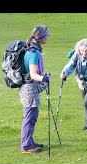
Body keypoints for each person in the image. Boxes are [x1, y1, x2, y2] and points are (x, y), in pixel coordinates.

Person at [19, 25, 50, 154]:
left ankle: (30, 142)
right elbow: (33, 75)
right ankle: (26, 146)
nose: (48, 37)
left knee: (32, 116)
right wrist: (44, 78)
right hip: (30, 89)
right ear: (42, 37)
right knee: (29, 117)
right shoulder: (34, 53)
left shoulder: (31, 50)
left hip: (27, 88)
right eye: (47, 35)